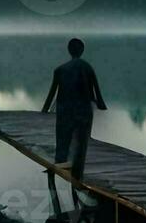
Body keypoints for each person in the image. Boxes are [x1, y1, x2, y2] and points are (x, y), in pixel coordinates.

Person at [41, 38, 106, 173]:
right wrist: (100, 104)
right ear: (82, 51)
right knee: (82, 141)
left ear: (69, 50)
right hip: (84, 110)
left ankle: (60, 163)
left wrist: (44, 110)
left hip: (65, 110)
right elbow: (97, 91)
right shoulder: (87, 67)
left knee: (62, 137)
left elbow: (52, 93)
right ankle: (78, 169)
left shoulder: (60, 70)